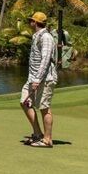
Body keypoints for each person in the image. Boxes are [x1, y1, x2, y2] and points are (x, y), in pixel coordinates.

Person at [20, 12, 57, 148]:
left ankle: (47, 140)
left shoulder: (46, 37)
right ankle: (37, 134)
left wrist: (38, 79)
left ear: (35, 22)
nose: (30, 22)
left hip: (45, 79)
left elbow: (46, 59)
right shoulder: (37, 36)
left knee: (44, 108)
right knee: (24, 102)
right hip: (33, 77)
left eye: (31, 21)